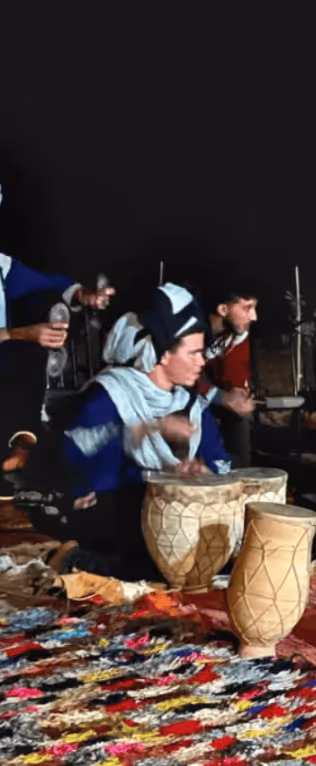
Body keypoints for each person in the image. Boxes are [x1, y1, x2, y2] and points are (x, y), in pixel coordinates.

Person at [23, 283, 230, 579]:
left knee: (224, 555)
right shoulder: (110, 394)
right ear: (163, 354)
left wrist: (201, 475)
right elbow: (75, 460)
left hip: (167, 510)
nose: (203, 361)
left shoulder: (191, 405)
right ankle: (73, 559)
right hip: (107, 508)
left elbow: (219, 462)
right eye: (194, 353)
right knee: (164, 567)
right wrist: (148, 429)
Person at [1, 183, 116, 483]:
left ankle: (21, 446)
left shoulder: (2, 266)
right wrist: (17, 333)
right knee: (21, 346)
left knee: (25, 357)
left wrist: (83, 294)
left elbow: (49, 282)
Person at [195, 287, 257, 467]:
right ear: (223, 310)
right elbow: (182, 380)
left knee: (239, 415)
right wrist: (222, 397)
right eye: (247, 308)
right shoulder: (193, 329)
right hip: (175, 398)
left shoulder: (232, 333)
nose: (254, 317)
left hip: (204, 394)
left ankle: (236, 473)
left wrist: (239, 398)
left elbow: (232, 381)